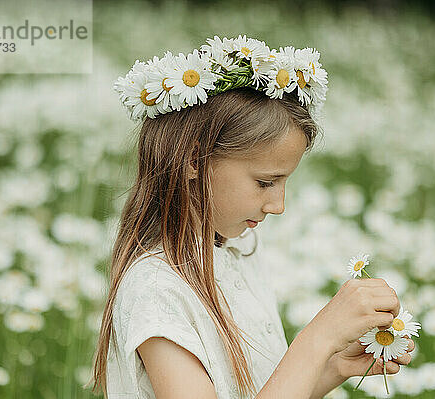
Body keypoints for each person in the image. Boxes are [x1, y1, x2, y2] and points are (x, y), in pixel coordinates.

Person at [89, 36, 414, 399]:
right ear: (194, 161)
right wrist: (318, 339)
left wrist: (333, 367)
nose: (278, 205)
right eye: (265, 182)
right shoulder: (156, 290)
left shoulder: (238, 251)